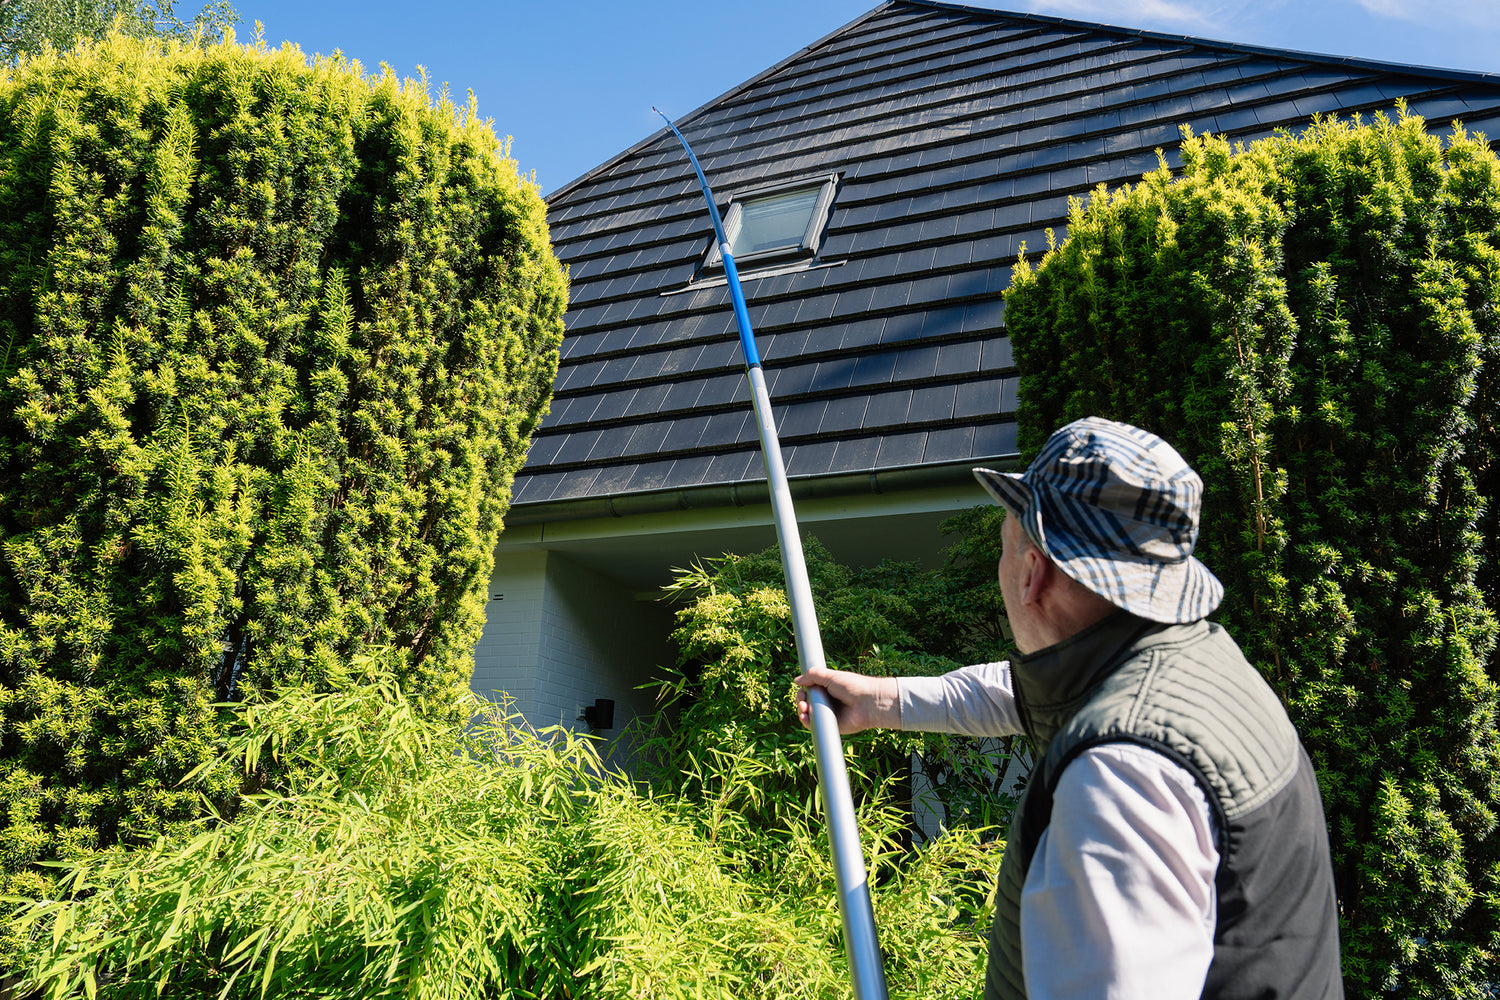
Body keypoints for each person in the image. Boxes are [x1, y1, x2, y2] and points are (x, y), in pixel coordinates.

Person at [796, 416, 1343, 1000]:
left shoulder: (1124, 778)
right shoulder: (1193, 665)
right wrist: (884, 701)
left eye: (1007, 547)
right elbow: (1026, 692)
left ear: (1032, 573)